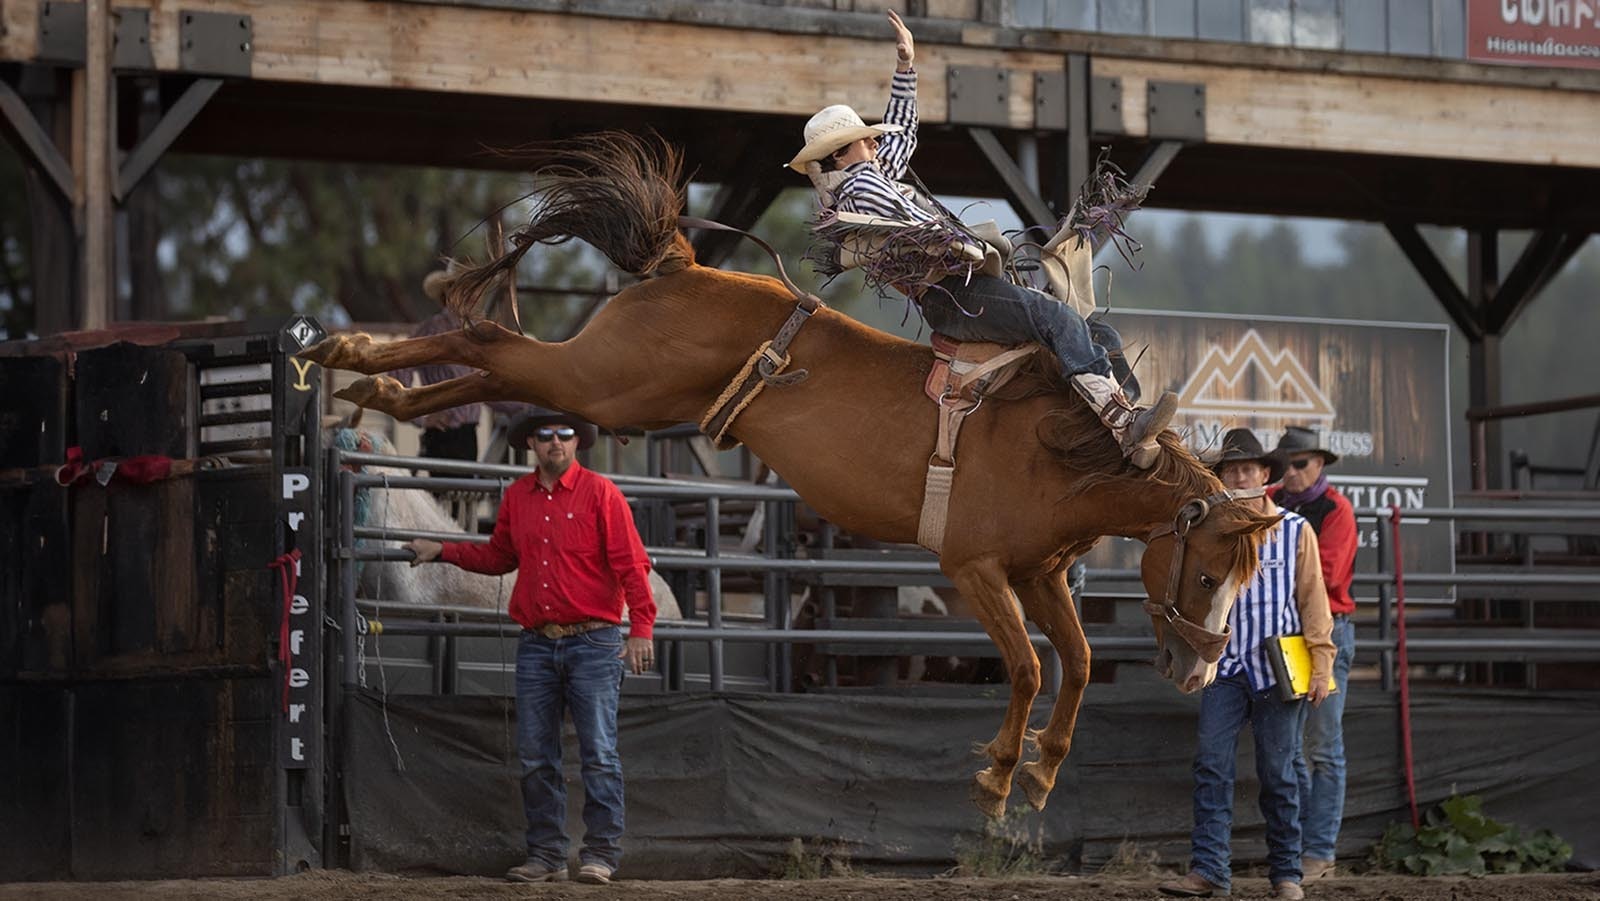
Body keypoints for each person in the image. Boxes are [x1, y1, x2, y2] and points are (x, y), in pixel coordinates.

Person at [787, 10, 1176, 469]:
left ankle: (1125, 419)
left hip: (961, 289)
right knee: (1054, 316)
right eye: (864, 141)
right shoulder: (863, 187)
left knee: (1095, 331)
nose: (874, 145)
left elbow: (901, 135)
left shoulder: (862, 181)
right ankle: (1119, 420)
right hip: (955, 293)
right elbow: (900, 168)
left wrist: (905, 69)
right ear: (844, 153)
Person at [405, 407, 656, 885]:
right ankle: (547, 855)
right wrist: (445, 549)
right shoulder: (518, 497)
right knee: (537, 754)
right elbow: (500, 556)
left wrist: (641, 627)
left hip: (593, 640)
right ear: (532, 445)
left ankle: (600, 854)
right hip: (538, 643)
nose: (555, 443)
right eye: (546, 436)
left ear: (577, 443)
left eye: (564, 435)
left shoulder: (601, 493)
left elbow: (631, 564)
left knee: (599, 752)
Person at [1160, 428, 1334, 901]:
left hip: (1279, 666)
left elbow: (1314, 603)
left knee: (1279, 773)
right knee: (1212, 766)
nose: (1240, 476)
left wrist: (1321, 666)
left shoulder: (1296, 530)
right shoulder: (1212, 535)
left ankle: (1287, 874)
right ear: (1222, 478)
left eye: (1248, 468)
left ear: (1263, 474)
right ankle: (1210, 870)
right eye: (1231, 470)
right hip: (1226, 667)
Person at [1271, 425, 1359, 880]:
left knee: (1320, 748)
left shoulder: (1336, 510)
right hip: (1289, 637)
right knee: (1296, 749)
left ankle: (1318, 850)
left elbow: (1322, 578)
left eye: (1300, 463)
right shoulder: (1273, 498)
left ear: (1319, 464)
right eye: (1286, 463)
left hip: (1324, 632)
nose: (1292, 471)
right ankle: (1307, 850)